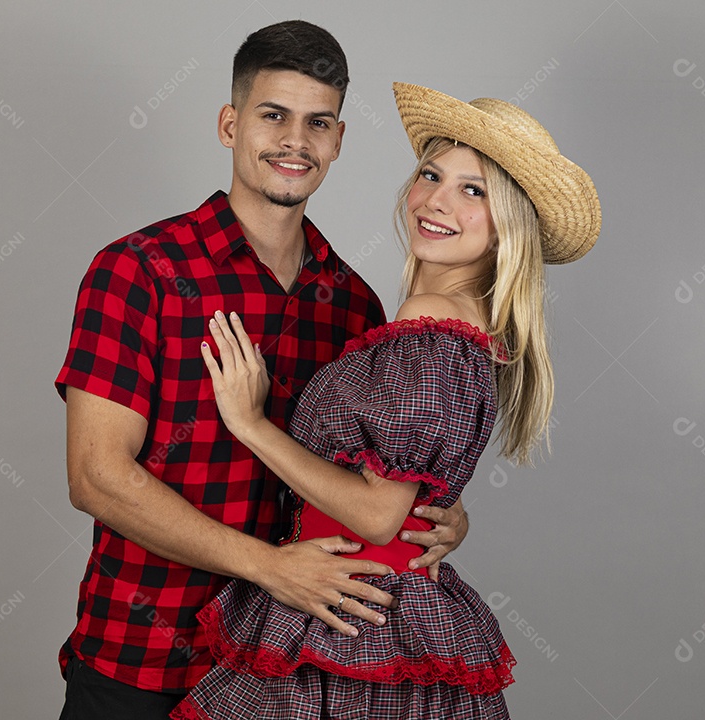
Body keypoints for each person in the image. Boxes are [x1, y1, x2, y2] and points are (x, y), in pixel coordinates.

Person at [55, 25, 470, 719]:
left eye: (317, 123)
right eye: (273, 115)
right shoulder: (139, 270)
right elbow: (97, 475)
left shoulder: (355, 304)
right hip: (142, 658)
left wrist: (434, 518)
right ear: (230, 124)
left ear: (339, 141)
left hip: (285, 677)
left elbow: (366, 486)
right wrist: (268, 567)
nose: (295, 141)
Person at [170, 82, 601, 720]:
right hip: (377, 608)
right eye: (431, 174)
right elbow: (408, 491)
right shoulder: (451, 330)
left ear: (507, 226)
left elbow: (376, 515)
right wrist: (440, 514)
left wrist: (250, 423)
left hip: (352, 618)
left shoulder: (430, 323)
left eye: (472, 190)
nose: (435, 200)